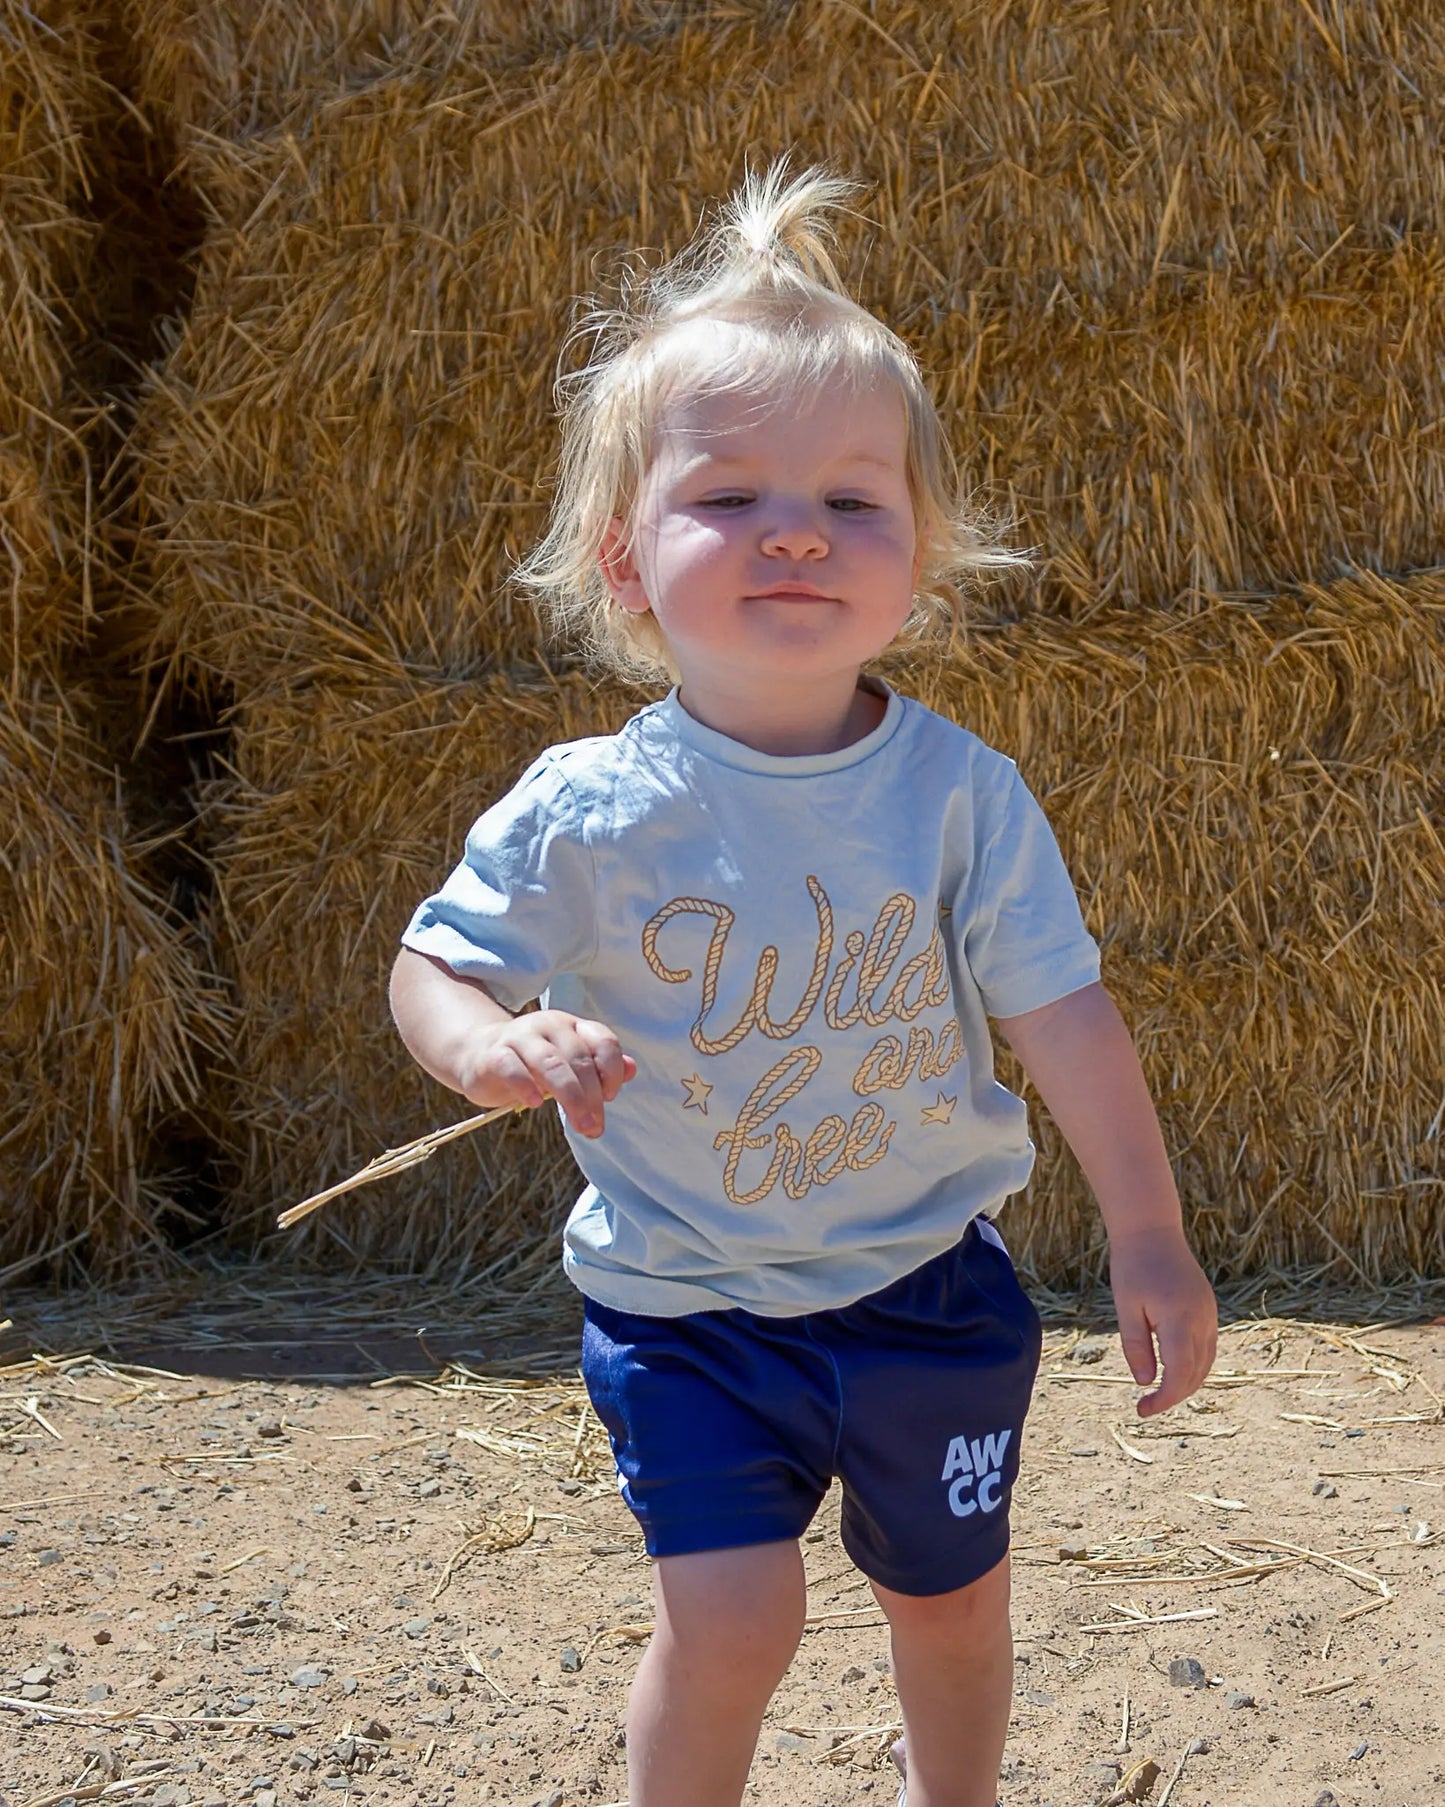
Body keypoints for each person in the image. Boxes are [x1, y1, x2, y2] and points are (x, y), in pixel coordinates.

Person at [389, 162, 1218, 1807]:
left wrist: (1148, 1233)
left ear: (919, 558)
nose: (794, 531)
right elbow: (437, 960)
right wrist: (488, 1043)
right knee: (731, 1617)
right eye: (730, 499)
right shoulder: (586, 806)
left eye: (852, 503)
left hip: (926, 1291)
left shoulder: (960, 795)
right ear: (623, 562)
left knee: (952, 1606)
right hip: (687, 1306)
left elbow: (1060, 1016)